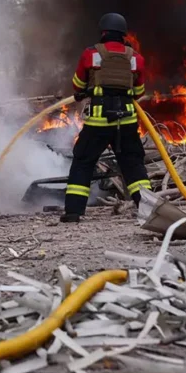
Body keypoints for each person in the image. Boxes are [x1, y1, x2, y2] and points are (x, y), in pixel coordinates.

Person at [63, 13, 151, 223]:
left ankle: (74, 212)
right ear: (123, 34)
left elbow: (77, 83)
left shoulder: (90, 54)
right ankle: (148, 210)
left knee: (83, 161)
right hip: (127, 121)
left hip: (99, 122)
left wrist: (89, 89)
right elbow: (139, 90)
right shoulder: (136, 58)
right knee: (133, 164)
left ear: (103, 32)